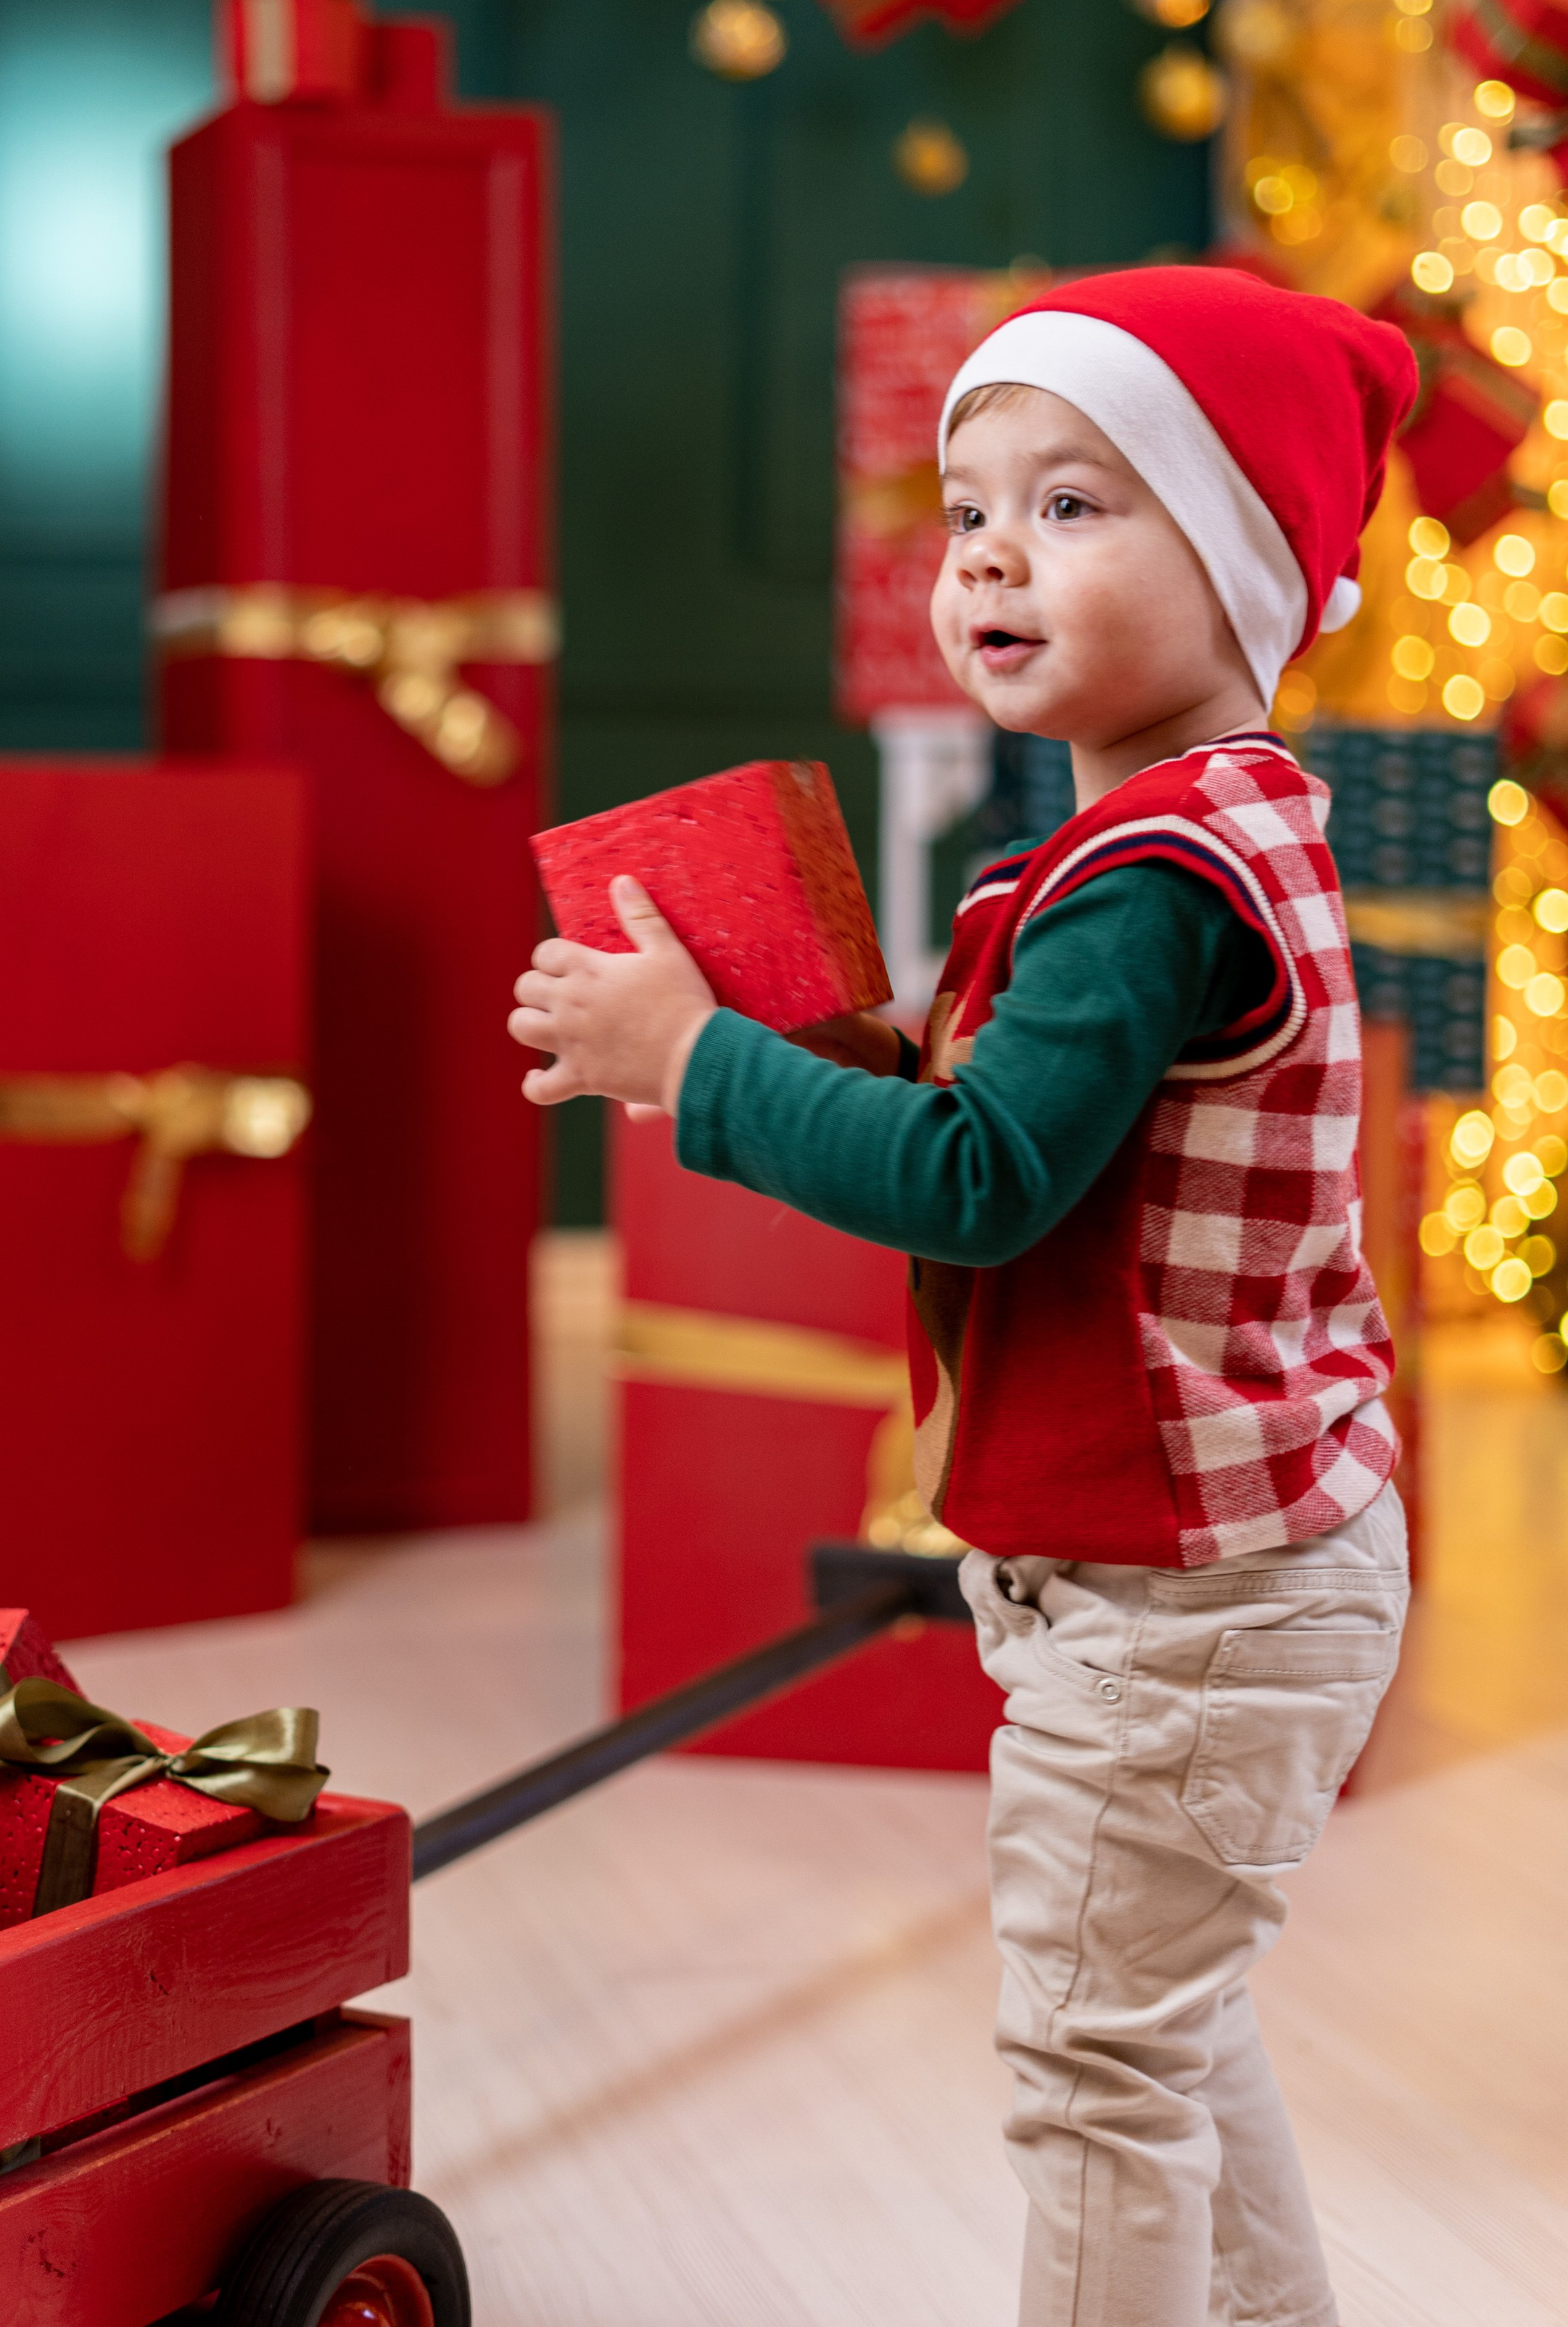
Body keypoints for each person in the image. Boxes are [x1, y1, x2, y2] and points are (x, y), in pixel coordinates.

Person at [508, 265, 1419, 2327]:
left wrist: (702, 1071)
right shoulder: (1140, 853)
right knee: (1159, 2026)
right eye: (970, 505)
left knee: (1101, 2065)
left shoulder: (1155, 886)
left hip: (1199, 1599)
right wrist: (730, 1036)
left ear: (1249, 568)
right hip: (1222, 1571)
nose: (995, 552)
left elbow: (982, 1181)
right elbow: (975, 1120)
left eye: (1081, 504)